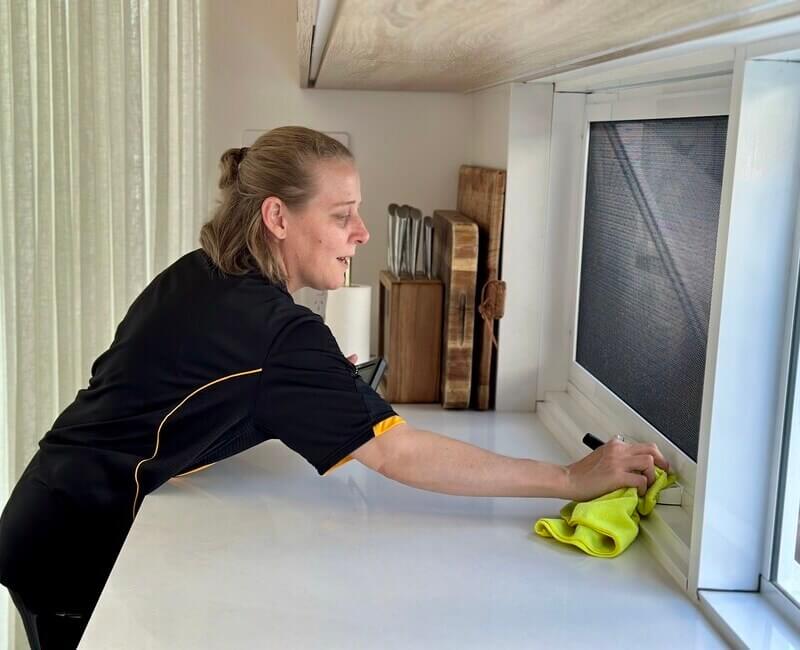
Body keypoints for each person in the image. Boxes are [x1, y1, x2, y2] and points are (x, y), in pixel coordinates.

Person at [0, 126, 669, 649]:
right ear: (278, 218)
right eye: (342, 214)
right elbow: (400, 454)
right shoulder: (277, 334)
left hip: (48, 508)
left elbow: (140, 389)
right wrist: (568, 479)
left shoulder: (202, 273)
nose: (362, 232)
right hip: (80, 543)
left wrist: (300, 390)